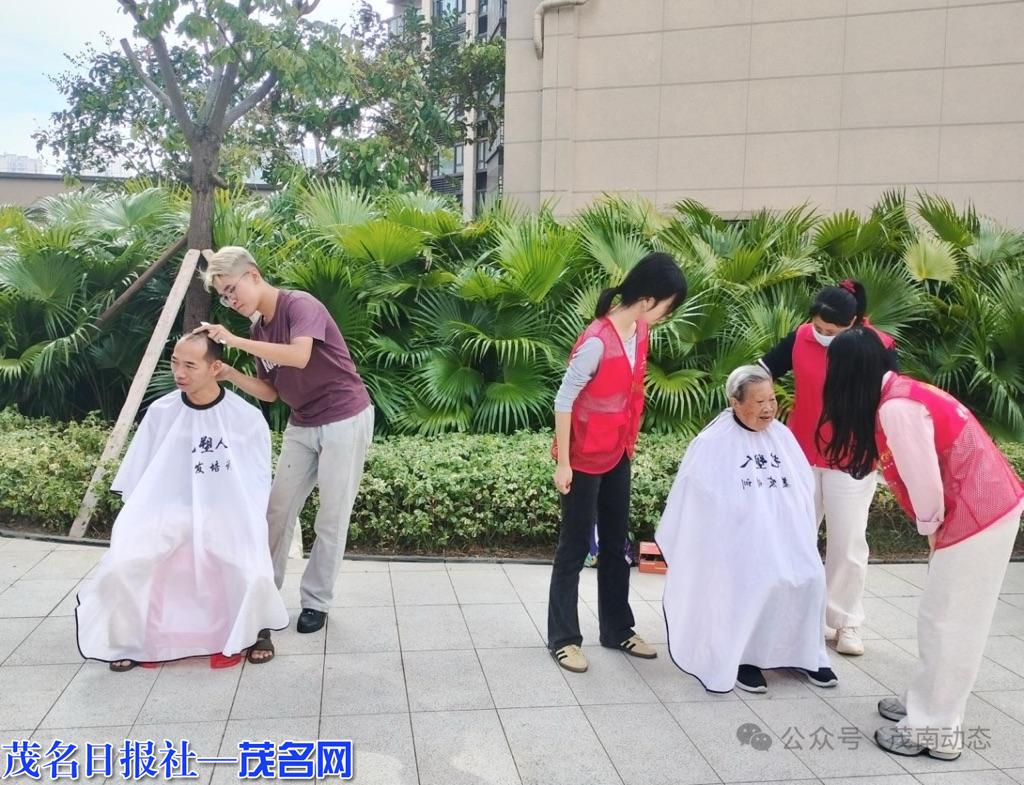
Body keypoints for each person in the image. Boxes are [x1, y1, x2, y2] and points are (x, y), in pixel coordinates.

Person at [819, 327, 1024, 760]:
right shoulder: (899, 392)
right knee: (942, 617)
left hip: (976, 514)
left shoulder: (897, 408)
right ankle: (925, 706)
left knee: (951, 622)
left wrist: (931, 530)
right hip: (977, 509)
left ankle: (935, 730)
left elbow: (925, 482)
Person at [76, 334, 289, 671]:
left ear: (215, 367)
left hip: (224, 510)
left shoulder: (245, 417)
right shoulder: (161, 412)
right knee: (126, 561)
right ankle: (128, 640)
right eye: (175, 362)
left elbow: (254, 480)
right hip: (170, 509)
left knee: (247, 560)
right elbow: (142, 472)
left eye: (190, 365)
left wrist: (234, 515)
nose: (179, 372)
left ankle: (257, 631)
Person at [195, 246, 374, 635]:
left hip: (345, 417)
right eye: (223, 296)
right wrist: (229, 373)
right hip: (303, 422)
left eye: (231, 289)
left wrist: (234, 342)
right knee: (277, 510)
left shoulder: (299, 306)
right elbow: (272, 391)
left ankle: (316, 602)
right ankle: (265, 593)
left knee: (331, 515)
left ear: (254, 275)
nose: (231, 300)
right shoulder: (259, 330)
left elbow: (299, 356)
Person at [656, 365, 838, 693]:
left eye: (772, 400)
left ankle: (804, 654)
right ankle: (745, 658)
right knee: (760, 577)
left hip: (784, 538)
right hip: (736, 542)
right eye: (759, 402)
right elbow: (698, 498)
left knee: (809, 577)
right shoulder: (713, 442)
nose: (769, 408)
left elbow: (800, 489)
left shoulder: (781, 437)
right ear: (735, 403)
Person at [547, 251, 687, 674]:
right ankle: (564, 638)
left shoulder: (640, 333)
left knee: (615, 545)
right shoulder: (596, 340)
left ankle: (617, 629)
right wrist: (564, 463)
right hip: (584, 458)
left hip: (617, 454)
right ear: (647, 300)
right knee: (573, 548)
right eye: (668, 305)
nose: (667, 314)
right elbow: (564, 400)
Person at [758, 280, 897, 656]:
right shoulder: (801, 337)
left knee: (848, 542)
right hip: (801, 454)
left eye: (830, 332)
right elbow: (763, 370)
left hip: (853, 458)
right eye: (817, 327)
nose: (820, 336)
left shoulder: (878, 348)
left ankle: (846, 621)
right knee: (794, 538)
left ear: (853, 324)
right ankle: (794, 618)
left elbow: (894, 398)